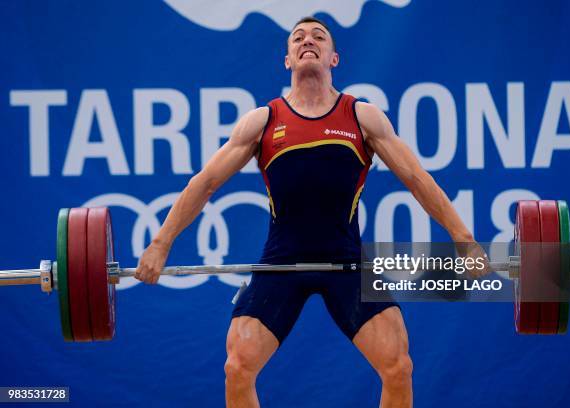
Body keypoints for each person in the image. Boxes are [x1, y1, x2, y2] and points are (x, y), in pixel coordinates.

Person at [135, 16, 487, 408]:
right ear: (287, 60)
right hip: (283, 263)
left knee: (398, 365)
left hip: (347, 263)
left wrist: (465, 240)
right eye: (298, 38)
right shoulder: (263, 121)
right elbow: (204, 184)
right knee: (238, 365)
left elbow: (417, 179)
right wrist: (159, 244)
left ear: (334, 57)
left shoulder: (362, 117)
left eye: (318, 37)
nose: (308, 41)